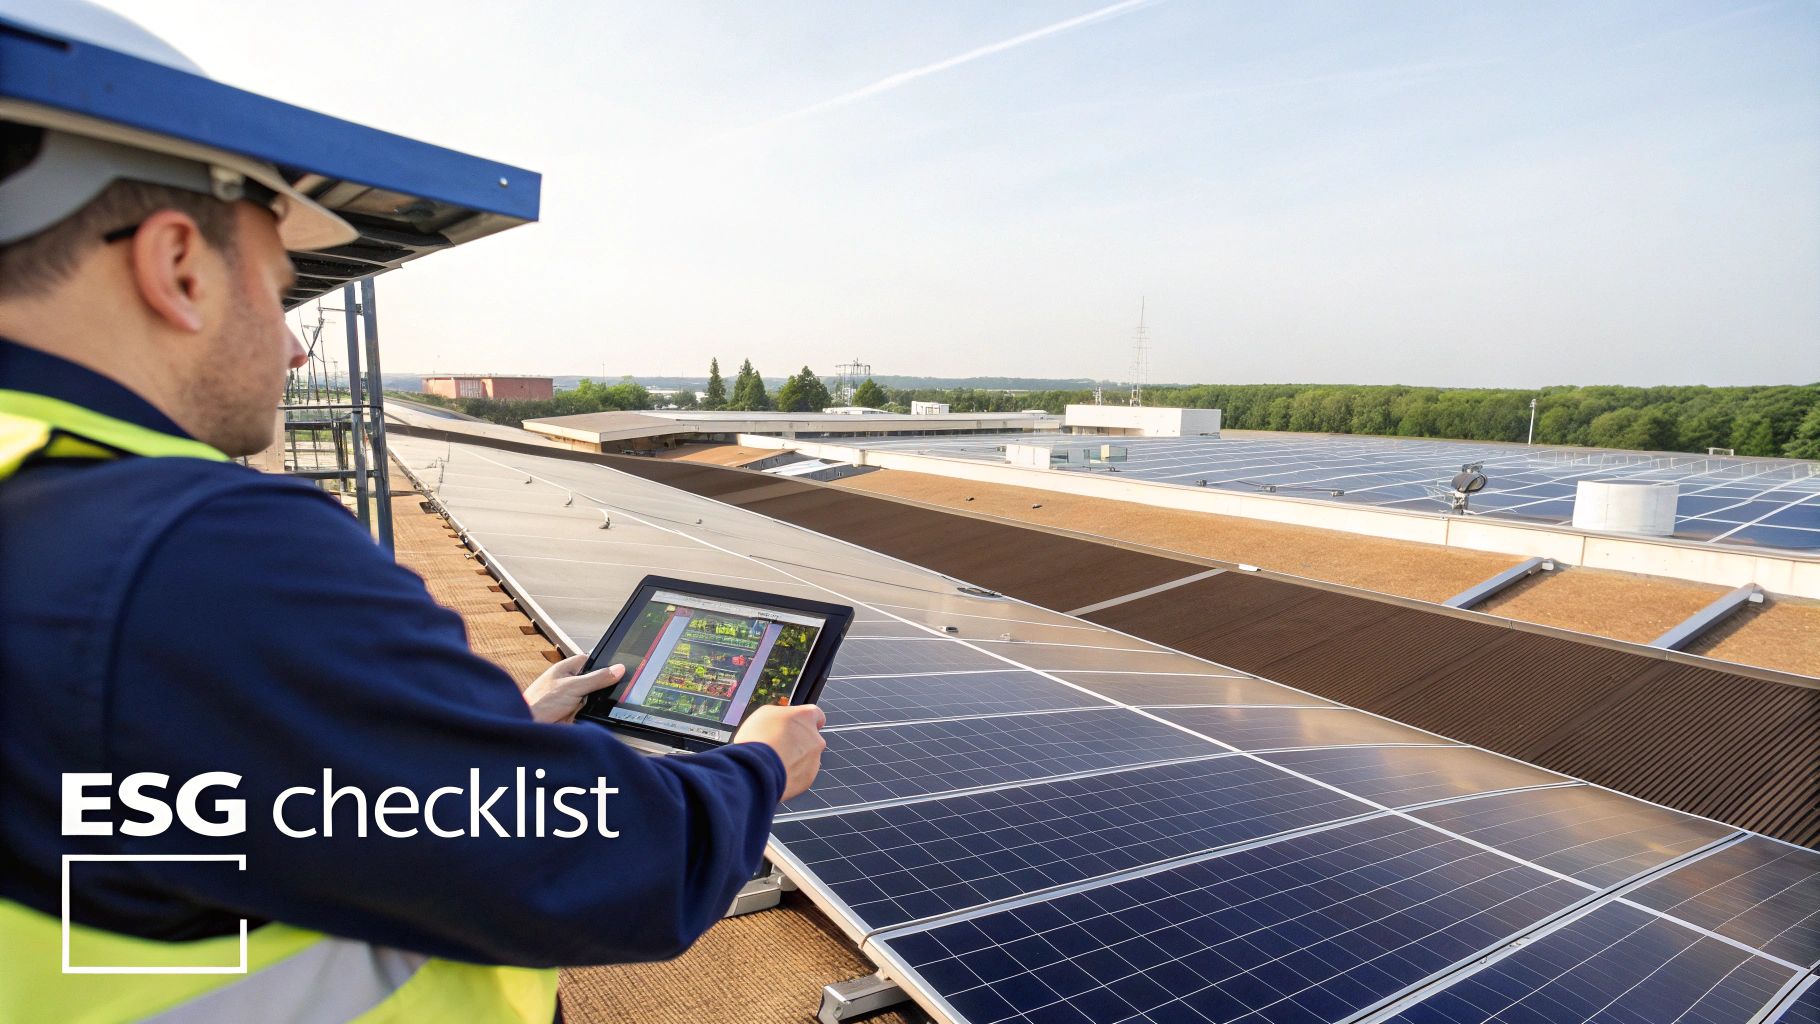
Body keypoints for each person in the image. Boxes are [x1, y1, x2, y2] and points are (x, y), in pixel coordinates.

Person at [0, 3, 826, 1021]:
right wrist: (759, 767)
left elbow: (193, 794)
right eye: (279, 291)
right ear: (178, 267)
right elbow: (606, 861)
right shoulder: (198, 552)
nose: (293, 350)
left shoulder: (40, 506)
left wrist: (473, 739)